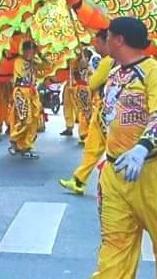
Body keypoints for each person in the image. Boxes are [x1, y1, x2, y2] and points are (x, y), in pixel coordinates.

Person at [92, 17, 157, 279]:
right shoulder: (113, 73)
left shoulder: (154, 72)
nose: (104, 41)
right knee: (114, 246)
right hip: (116, 173)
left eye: (108, 36)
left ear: (119, 40)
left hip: (154, 171)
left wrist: (142, 148)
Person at [59, 29, 114, 195]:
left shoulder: (107, 61)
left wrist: (86, 69)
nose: (95, 46)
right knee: (92, 146)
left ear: (106, 42)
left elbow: (93, 83)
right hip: (104, 109)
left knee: (111, 148)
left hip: (109, 111)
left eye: (98, 42)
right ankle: (79, 180)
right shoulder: (109, 60)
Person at [8, 40, 40, 158]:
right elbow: (22, 73)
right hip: (21, 92)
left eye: (33, 51)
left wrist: (39, 54)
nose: (31, 53)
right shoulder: (19, 61)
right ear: (25, 51)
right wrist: (30, 62)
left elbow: (46, 65)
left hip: (32, 92)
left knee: (35, 118)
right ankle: (14, 139)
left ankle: (26, 145)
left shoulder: (34, 60)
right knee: (25, 118)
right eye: (29, 50)